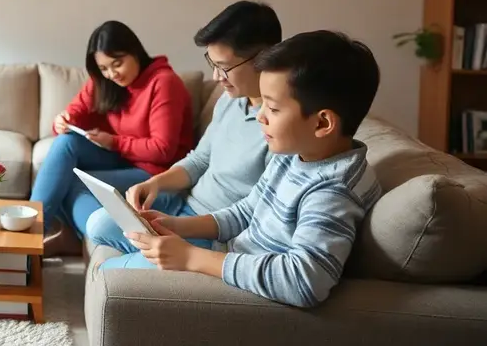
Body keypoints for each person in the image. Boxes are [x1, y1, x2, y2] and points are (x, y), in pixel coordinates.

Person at [124, 30, 383, 308]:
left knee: (117, 276)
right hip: (231, 261)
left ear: (322, 124)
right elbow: (247, 211)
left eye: (272, 108)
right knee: (125, 255)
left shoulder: (334, 190)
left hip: (245, 293)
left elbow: (303, 282)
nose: (260, 116)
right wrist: (176, 226)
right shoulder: (296, 154)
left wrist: (190, 257)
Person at [86, 0, 283, 267]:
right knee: (97, 223)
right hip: (183, 204)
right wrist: (155, 183)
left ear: (263, 59)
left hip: (212, 232)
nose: (216, 77)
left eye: (224, 67)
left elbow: (254, 211)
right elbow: (200, 159)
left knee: (110, 271)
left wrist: (181, 229)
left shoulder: (281, 127)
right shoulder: (229, 100)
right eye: (211, 64)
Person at [30, 20, 194, 255]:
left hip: (156, 172)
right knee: (66, 143)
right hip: (123, 159)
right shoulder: (105, 81)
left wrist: (114, 142)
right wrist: (64, 120)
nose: (112, 73)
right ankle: (34, 232)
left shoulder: (164, 83)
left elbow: (163, 149)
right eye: (104, 68)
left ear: (134, 52)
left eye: (117, 64)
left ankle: (105, 236)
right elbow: (77, 111)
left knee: (76, 182)